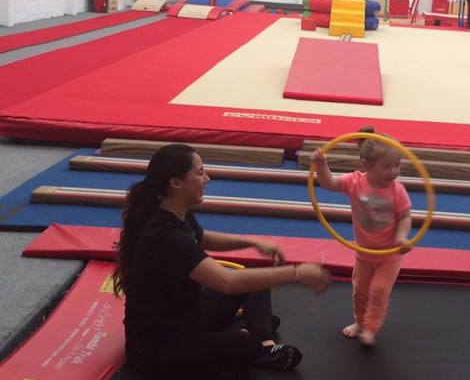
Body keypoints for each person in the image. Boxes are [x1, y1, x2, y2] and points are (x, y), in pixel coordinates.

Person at [113, 143, 331, 380]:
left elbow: (203, 238)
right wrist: (296, 273)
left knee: (254, 280)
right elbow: (226, 281)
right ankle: (258, 345)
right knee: (244, 344)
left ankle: (265, 342)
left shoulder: (175, 212)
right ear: (176, 183)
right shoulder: (165, 236)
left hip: (185, 316)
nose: (207, 178)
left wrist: (251, 242)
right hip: (157, 349)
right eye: (200, 173)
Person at [310, 126, 412, 347]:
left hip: (390, 255)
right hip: (364, 254)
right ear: (366, 164)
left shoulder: (398, 190)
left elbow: (405, 217)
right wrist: (321, 165)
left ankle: (371, 328)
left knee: (379, 291)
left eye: (397, 165)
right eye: (386, 166)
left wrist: (402, 238)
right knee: (360, 291)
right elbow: (329, 183)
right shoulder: (355, 182)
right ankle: (359, 322)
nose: (393, 171)